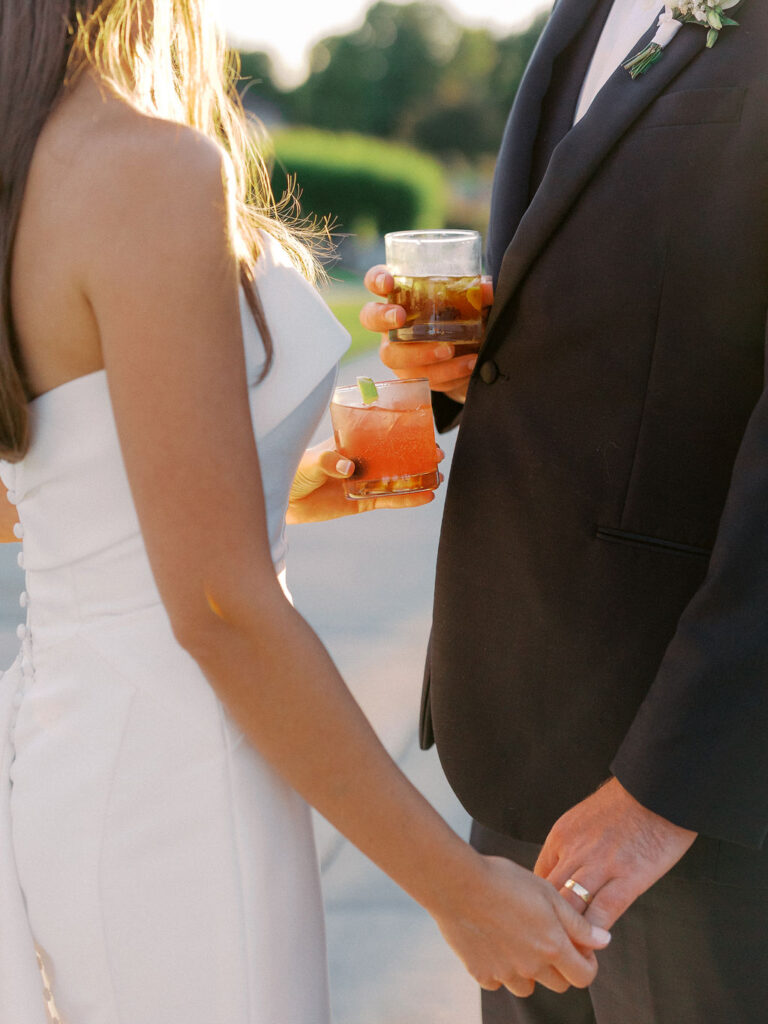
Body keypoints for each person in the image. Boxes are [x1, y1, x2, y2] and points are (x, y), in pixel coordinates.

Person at [0, 2, 612, 1022]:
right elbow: (219, 603)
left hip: (87, 751)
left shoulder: (32, 164)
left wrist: (409, 407)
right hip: (180, 783)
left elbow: (111, 498)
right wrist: (460, 893)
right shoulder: (140, 167)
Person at [362, 0, 768, 1021]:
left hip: (690, 793)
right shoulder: (579, 15)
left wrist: (667, 787)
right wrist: (448, 371)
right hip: (516, 744)